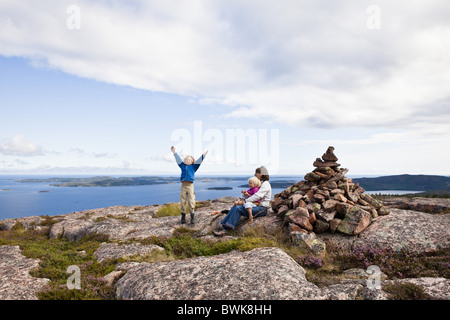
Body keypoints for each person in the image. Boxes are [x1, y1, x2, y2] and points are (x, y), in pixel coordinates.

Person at [214, 166, 272, 235]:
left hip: (262, 209)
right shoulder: (261, 183)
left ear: (261, 174)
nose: (254, 174)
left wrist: (244, 202)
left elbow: (257, 196)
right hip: (256, 206)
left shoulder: (265, 184)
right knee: (235, 207)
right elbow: (253, 195)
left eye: (256, 172)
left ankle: (227, 230)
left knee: (238, 208)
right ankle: (224, 226)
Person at [171, 146, 208, 224]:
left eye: (190, 160)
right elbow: (178, 159)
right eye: (186, 160)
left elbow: (199, 161)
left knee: (191, 201)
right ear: (184, 161)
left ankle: (192, 216)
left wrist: (203, 155)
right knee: (182, 201)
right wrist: (174, 152)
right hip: (183, 186)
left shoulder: (194, 167)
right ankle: (183, 216)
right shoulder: (182, 166)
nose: (188, 161)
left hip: (190, 186)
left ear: (192, 161)